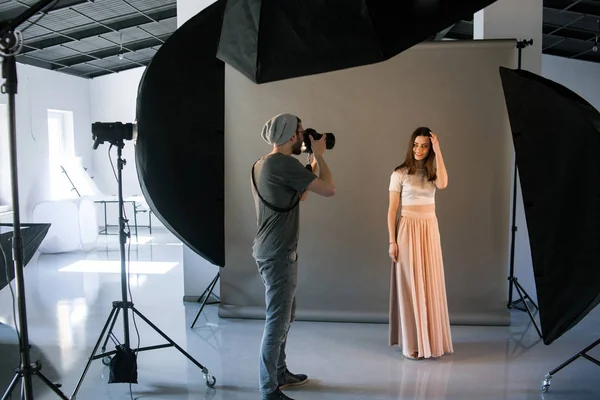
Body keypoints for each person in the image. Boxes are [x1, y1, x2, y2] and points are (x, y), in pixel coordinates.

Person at [251, 113, 336, 400]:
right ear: (290, 136)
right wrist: (321, 157)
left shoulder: (263, 164)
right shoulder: (284, 164)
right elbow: (328, 189)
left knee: (286, 314)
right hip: (278, 254)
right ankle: (268, 388)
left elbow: (300, 195)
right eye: (300, 132)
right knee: (277, 320)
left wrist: (310, 157)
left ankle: (280, 371)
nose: (303, 136)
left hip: (268, 250)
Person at [387, 126, 453, 360]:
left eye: (424, 145)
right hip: (407, 228)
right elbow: (392, 210)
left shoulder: (434, 173)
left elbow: (444, 183)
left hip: (429, 229)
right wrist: (392, 241)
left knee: (429, 282)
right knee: (410, 285)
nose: (419, 149)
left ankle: (431, 340)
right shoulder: (400, 173)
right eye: (416, 144)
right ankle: (412, 343)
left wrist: (439, 150)